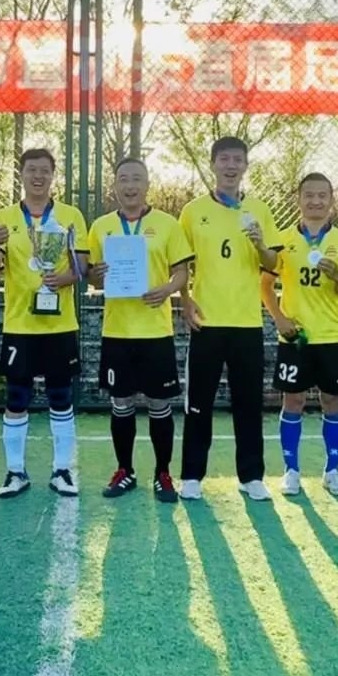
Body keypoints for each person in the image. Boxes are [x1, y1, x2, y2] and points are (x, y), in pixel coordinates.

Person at [178, 136, 281, 501]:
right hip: (206, 322)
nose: (231, 166)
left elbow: (274, 263)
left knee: (249, 403)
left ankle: (251, 476)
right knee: (198, 403)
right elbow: (179, 264)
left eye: (238, 159)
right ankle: (192, 475)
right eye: (224, 159)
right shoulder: (193, 211)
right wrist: (185, 301)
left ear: (246, 166)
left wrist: (260, 245)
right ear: (213, 164)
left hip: (247, 323)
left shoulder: (260, 210)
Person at [0, 148, 89, 498]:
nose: (38, 176)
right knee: (17, 398)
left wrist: (64, 279)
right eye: (32, 170)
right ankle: (15, 472)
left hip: (60, 325)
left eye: (45, 170)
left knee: (61, 396)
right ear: (22, 174)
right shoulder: (3, 217)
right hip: (19, 325)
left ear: (53, 175)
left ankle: (62, 471)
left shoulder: (71, 215)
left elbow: (82, 267)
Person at [87, 158, 192, 503]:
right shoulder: (101, 227)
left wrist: (167, 289)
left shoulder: (167, 224)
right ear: (114, 185)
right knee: (121, 404)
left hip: (155, 332)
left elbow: (181, 271)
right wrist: (96, 275)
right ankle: (125, 470)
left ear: (147, 185)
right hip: (117, 331)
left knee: (160, 404)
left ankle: (162, 473)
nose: (130, 186)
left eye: (136, 179)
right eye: (123, 179)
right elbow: (92, 276)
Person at [261, 172, 338, 497]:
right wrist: (279, 319)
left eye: (323, 195)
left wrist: (336, 275)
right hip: (295, 337)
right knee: (292, 400)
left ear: (331, 200)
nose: (316, 201)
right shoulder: (282, 239)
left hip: (332, 335)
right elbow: (265, 286)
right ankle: (291, 471)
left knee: (332, 401)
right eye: (309, 195)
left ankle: (332, 471)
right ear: (298, 199)